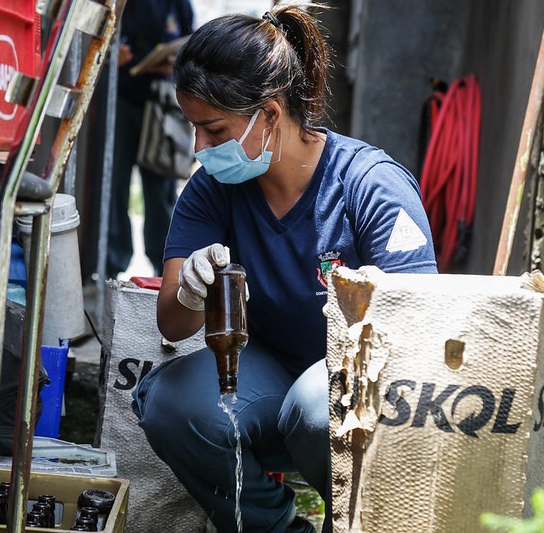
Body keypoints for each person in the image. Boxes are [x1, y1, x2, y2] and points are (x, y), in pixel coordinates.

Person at [131, 4, 438, 533]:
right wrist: (189, 293)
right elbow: (172, 325)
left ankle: (356, 522)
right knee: (170, 403)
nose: (198, 148)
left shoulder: (370, 185)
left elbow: (418, 326)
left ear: (270, 115)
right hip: (267, 378)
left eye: (213, 129)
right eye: (193, 128)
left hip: (359, 392)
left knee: (317, 406)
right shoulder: (212, 191)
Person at [107, 0, 194, 278]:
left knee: (160, 188)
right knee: (115, 185)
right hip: (123, 98)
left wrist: (176, 61)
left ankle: (164, 266)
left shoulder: (179, 4)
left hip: (162, 102)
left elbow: (190, 41)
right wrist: (114, 57)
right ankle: (112, 263)